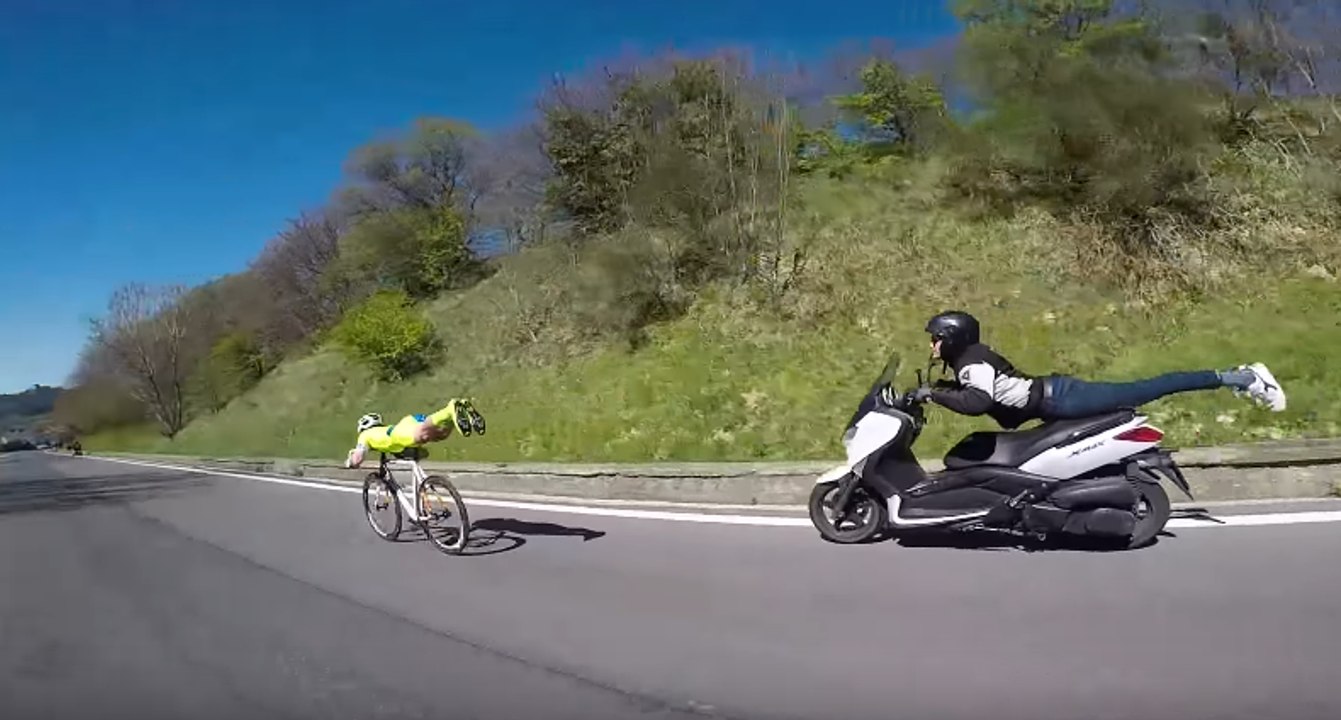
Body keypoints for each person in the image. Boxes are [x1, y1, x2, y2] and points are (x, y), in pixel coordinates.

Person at [915, 310, 1285, 429]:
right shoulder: (968, 360)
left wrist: (934, 393)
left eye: (935, 338)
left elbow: (978, 401)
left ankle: (1243, 377)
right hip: (1052, 398)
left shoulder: (972, 363)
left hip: (1062, 400)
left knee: (1148, 389)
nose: (932, 344)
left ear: (951, 338)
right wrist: (938, 390)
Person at [345, 398, 485, 469]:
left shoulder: (365, 435)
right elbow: (423, 453)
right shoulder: (381, 431)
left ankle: (450, 409)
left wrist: (350, 461)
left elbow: (358, 458)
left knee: (421, 435)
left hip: (398, 433)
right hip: (408, 423)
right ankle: (455, 417)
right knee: (440, 435)